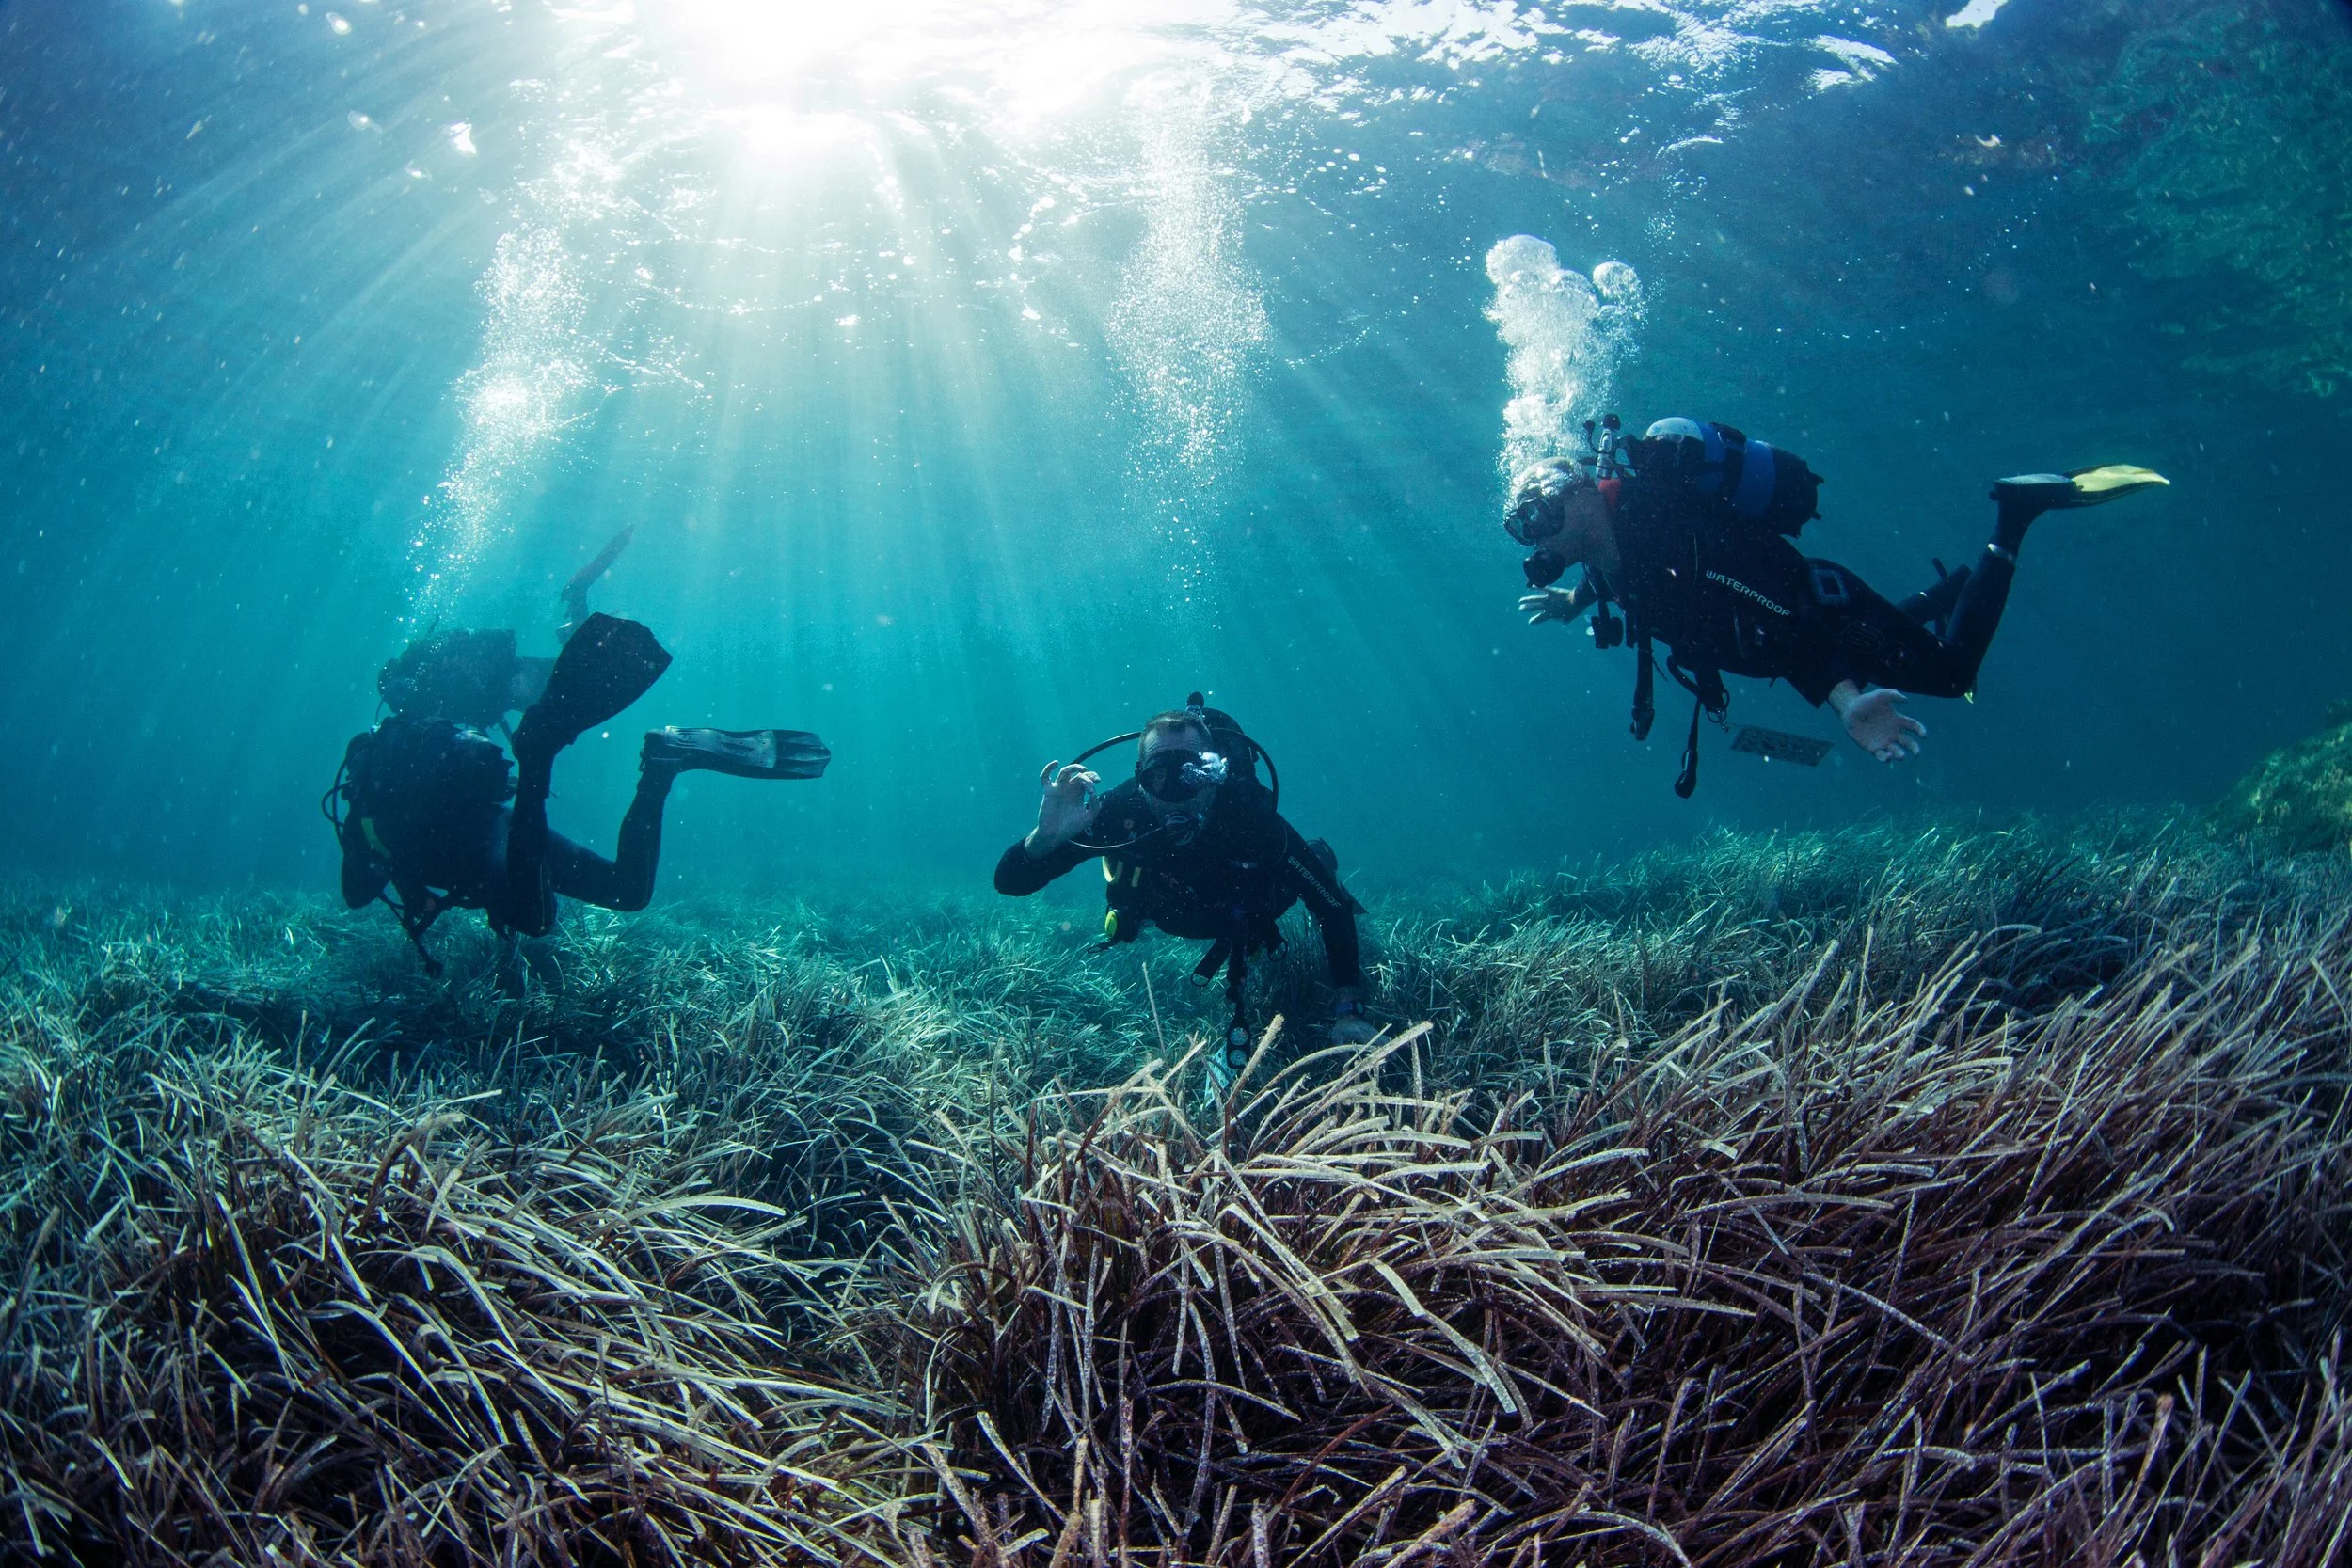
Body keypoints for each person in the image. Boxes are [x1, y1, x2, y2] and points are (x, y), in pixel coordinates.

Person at [1508, 416, 2167, 793]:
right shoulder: (1613, 546)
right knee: (1879, 652)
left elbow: (1790, 632)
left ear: (1582, 495)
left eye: (1537, 519)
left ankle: (2014, 518)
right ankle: (1942, 595)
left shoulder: (1664, 537)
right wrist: (1576, 597)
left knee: (1951, 674)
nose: (1535, 540)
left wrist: (1846, 702)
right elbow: (1630, 578)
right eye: (1521, 528)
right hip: (1801, 623)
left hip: (1819, 611)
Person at [329, 613, 830, 984]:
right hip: (489, 829)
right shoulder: (397, 761)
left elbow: (355, 893)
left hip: (482, 839)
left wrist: (400, 874)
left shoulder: (373, 775)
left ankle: (545, 756)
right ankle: (659, 761)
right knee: (625, 892)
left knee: (538, 917)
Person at [994, 697, 1376, 1063]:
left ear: (1214, 774)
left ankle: (1320, 853)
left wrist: (1349, 1009)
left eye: (1191, 774)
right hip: (1173, 913)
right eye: (1159, 776)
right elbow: (1010, 882)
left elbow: (1330, 905)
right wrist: (1043, 840)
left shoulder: (1248, 816)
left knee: (1310, 872)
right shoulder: (1118, 812)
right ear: (1140, 779)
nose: (1176, 794)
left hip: (1255, 907)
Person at [375, 525, 635, 734]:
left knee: (577, 671)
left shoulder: (425, 687)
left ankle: (581, 600)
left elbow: (470, 704)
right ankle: (583, 609)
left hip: (514, 683)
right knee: (575, 671)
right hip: (514, 680)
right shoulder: (429, 678)